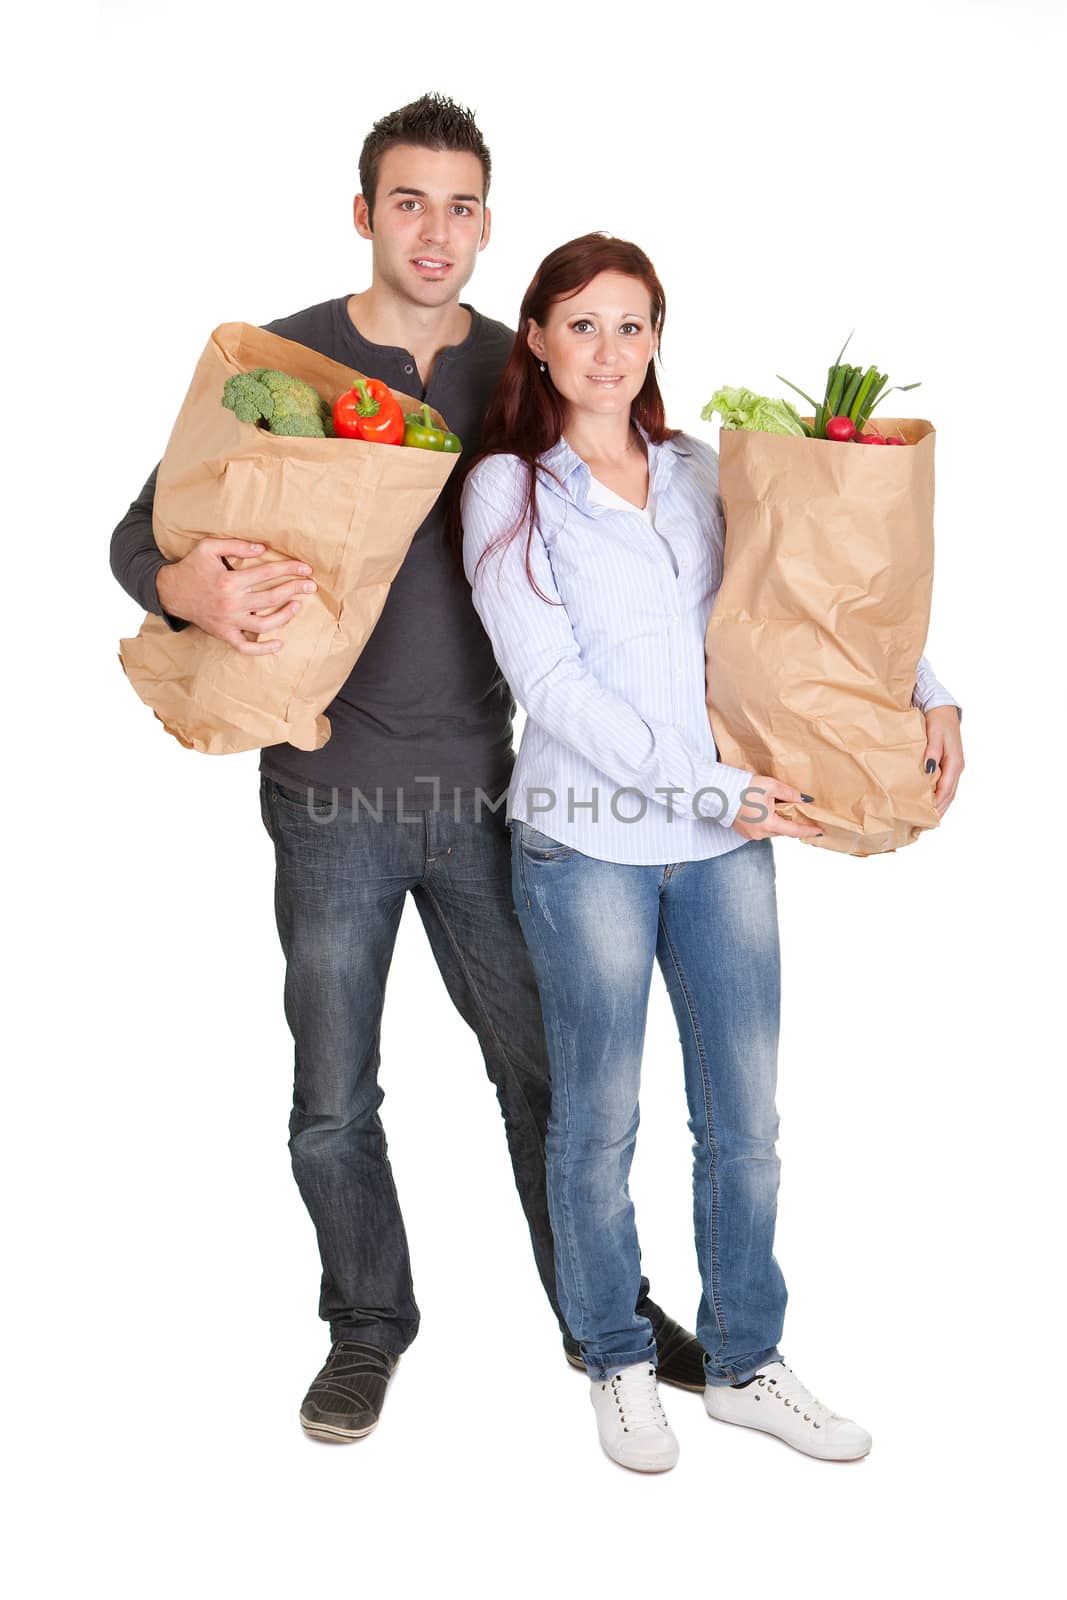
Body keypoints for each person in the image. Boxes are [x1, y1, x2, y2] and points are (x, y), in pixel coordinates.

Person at [109, 98, 704, 1444]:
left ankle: (598, 1317)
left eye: (460, 205)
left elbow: (653, 540)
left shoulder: (525, 369)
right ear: (363, 212)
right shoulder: (286, 360)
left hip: (492, 794)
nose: (434, 231)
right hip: (327, 798)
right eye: (408, 202)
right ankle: (365, 1327)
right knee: (332, 1097)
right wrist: (178, 580)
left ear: (485, 223)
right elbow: (137, 532)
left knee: (545, 1073)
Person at [460, 232, 965, 1472]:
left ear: (655, 342)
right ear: (535, 337)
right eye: (581, 324)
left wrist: (928, 691)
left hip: (727, 838)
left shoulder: (699, 468)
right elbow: (553, 685)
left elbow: (811, 600)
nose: (608, 350)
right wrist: (712, 784)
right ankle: (616, 1358)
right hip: (588, 845)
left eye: (631, 325)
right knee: (597, 1120)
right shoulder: (506, 490)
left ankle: (743, 1360)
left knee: (743, 1120)